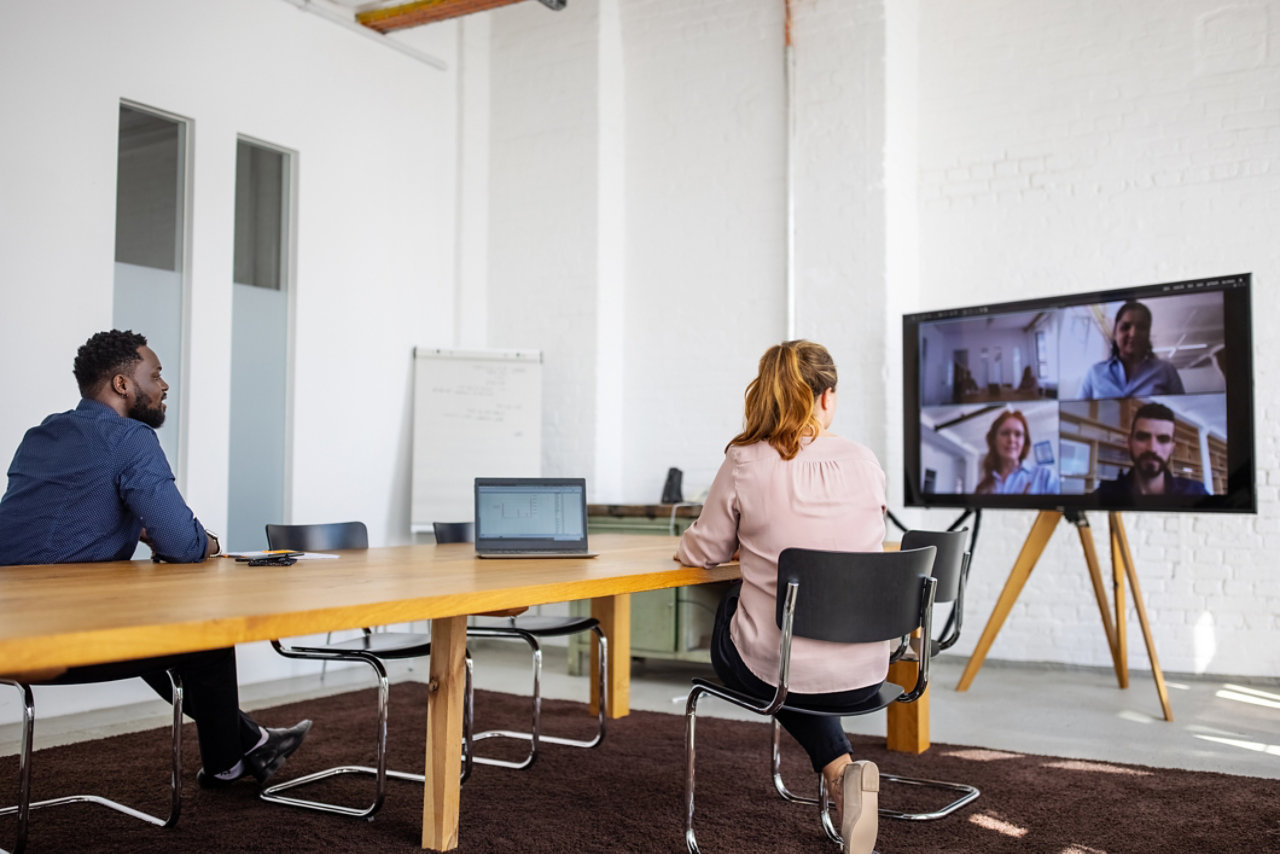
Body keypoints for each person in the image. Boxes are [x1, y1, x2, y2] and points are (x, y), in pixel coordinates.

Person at [0, 329, 310, 789]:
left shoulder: (41, 434)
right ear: (123, 385)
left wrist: (135, 528)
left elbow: (52, 521)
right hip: (56, 641)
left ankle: (249, 745)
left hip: (12, 625)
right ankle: (231, 760)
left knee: (160, 631)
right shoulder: (129, 438)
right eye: (156, 374)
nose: (164, 386)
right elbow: (184, 545)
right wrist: (209, 543)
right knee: (205, 636)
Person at [675, 340, 884, 854]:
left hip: (782, 668)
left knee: (740, 618)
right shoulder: (865, 460)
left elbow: (703, 550)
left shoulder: (745, 461)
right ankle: (840, 771)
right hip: (868, 669)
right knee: (797, 640)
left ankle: (839, 770)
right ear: (827, 398)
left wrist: (687, 545)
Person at [1094, 402, 1210, 498]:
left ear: (1171, 448)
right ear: (1130, 443)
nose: (1152, 448)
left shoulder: (1196, 492)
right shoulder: (1104, 494)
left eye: (1163, 439)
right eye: (1143, 437)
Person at [1078, 300, 1184, 399]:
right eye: (1125, 327)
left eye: (1141, 327)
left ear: (1148, 334)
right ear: (1115, 333)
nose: (1133, 334)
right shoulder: (1095, 373)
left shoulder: (1166, 371)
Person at [974, 409, 1059, 495]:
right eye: (1005, 433)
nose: (1011, 439)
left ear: (1024, 442)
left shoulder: (1046, 477)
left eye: (1018, 434)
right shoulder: (982, 488)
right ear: (994, 440)